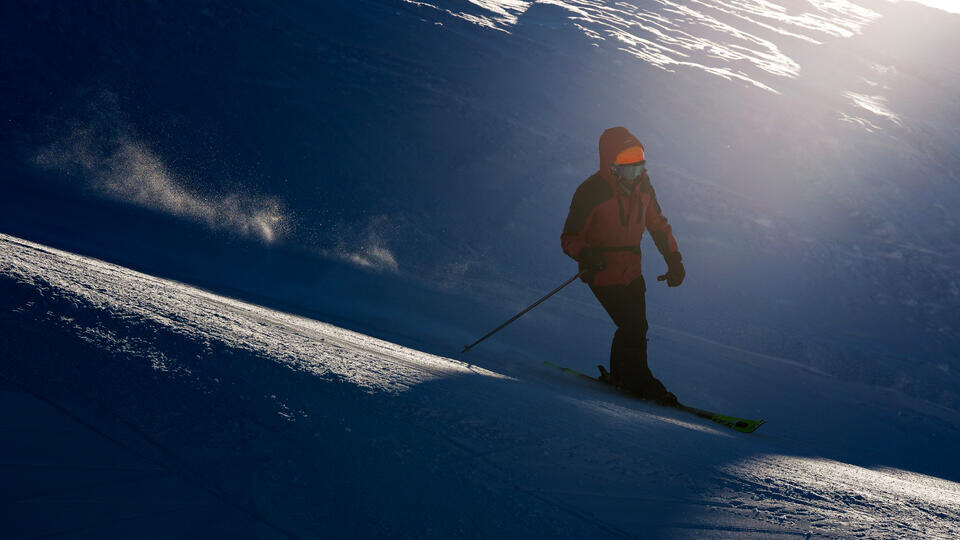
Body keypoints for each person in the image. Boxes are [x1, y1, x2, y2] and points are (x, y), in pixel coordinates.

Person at [561, 126, 685, 406]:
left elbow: (658, 225)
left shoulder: (644, 188)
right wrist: (587, 255)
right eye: (628, 167)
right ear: (612, 165)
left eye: (640, 164)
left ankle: (623, 375)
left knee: (635, 327)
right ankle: (641, 381)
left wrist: (674, 259)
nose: (636, 172)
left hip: (633, 271)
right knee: (633, 325)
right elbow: (569, 238)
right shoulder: (592, 191)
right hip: (601, 271)